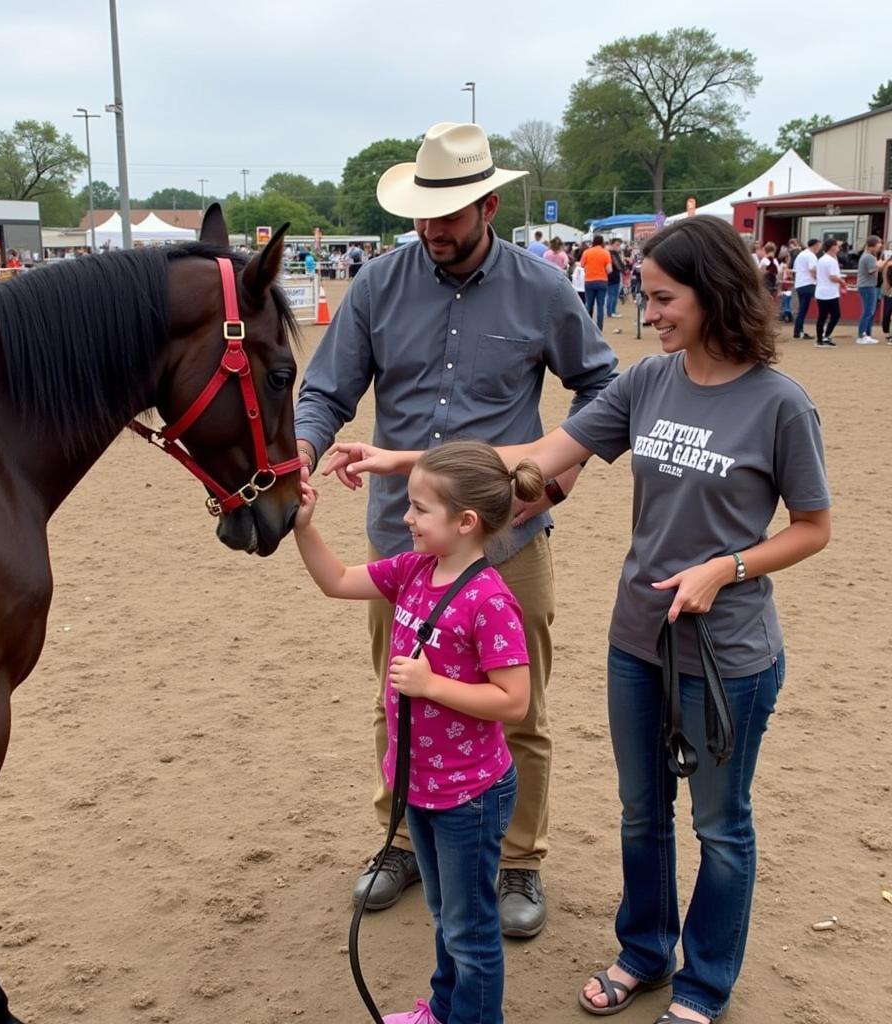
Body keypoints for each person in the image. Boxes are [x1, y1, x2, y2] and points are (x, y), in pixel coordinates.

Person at [330, 215, 832, 1024]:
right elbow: (536, 456)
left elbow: (813, 527)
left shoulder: (780, 404)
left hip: (726, 651)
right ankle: (644, 952)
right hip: (639, 639)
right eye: (645, 292)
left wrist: (726, 567)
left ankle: (702, 986)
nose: (649, 309)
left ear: (713, 294)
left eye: (663, 297)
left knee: (719, 825)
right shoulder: (648, 382)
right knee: (643, 811)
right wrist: (399, 461)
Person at [294, 120, 618, 939]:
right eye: (422, 216)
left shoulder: (543, 288)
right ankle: (402, 839)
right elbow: (327, 390)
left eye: (449, 215)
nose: (432, 231)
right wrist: (303, 446)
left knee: (520, 703)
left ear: (489, 205)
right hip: (402, 535)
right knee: (396, 692)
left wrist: (562, 477)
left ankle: (520, 860)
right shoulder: (376, 284)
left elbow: (602, 391)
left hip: (510, 540)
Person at [295, 441, 543, 1024]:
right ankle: (442, 1009)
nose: (405, 518)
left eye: (419, 509)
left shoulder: (490, 600)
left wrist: (432, 686)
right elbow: (335, 581)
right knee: (443, 913)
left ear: (465, 522)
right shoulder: (412, 569)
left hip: (470, 796)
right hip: (422, 787)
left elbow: (515, 701)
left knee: (470, 930)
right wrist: (305, 528)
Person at [814, 238, 845, 346]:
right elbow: (832, 277)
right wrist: (842, 282)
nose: (838, 248)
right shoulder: (830, 261)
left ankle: (820, 338)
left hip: (822, 291)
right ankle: (825, 336)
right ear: (832, 247)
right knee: (835, 315)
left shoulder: (823, 259)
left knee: (822, 316)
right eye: (836, 245)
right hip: (829, 293)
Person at [854, 235, 883, 344]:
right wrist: (880, 264)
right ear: (872, 246)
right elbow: (871, 270)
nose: (879, 246)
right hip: (867, 286)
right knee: (868, 311)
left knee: (870, 312)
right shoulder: (868, 257)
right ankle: (862, 335)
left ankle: (867, 334)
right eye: (878, 244)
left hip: (868, 286)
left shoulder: (868, 255)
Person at [581, 234, 612, 329]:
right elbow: (609, 270)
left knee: (588, 305)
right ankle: (599, 327)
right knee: (600, 306)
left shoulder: (586, 252)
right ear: (602, 242)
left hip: (589, 281)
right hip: (602, 281)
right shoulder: (606, 253)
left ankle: (587, 326)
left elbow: (582, 265)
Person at [792, 238, 820, 339]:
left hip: (800, 284)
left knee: (802, 309)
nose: (819, 248)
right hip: (808, 284)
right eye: (818, 245)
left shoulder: (802, 254)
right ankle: (799, 331)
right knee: (822, 301)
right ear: (815, 245)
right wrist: (819, 281)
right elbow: (813, 270)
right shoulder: (811, 255)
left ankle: (798, 331)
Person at [606, 238, 625, 319]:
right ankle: (611, 312)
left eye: (619, 245)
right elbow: (618, 265)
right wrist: (624, 268)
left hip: (611, 276)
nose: (619, 247)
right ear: (612, 244)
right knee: (612, 295)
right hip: (613, 276)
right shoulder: (612, 253)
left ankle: (611, 311)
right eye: (617, 245)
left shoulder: (609, 253)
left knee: (612, 295)